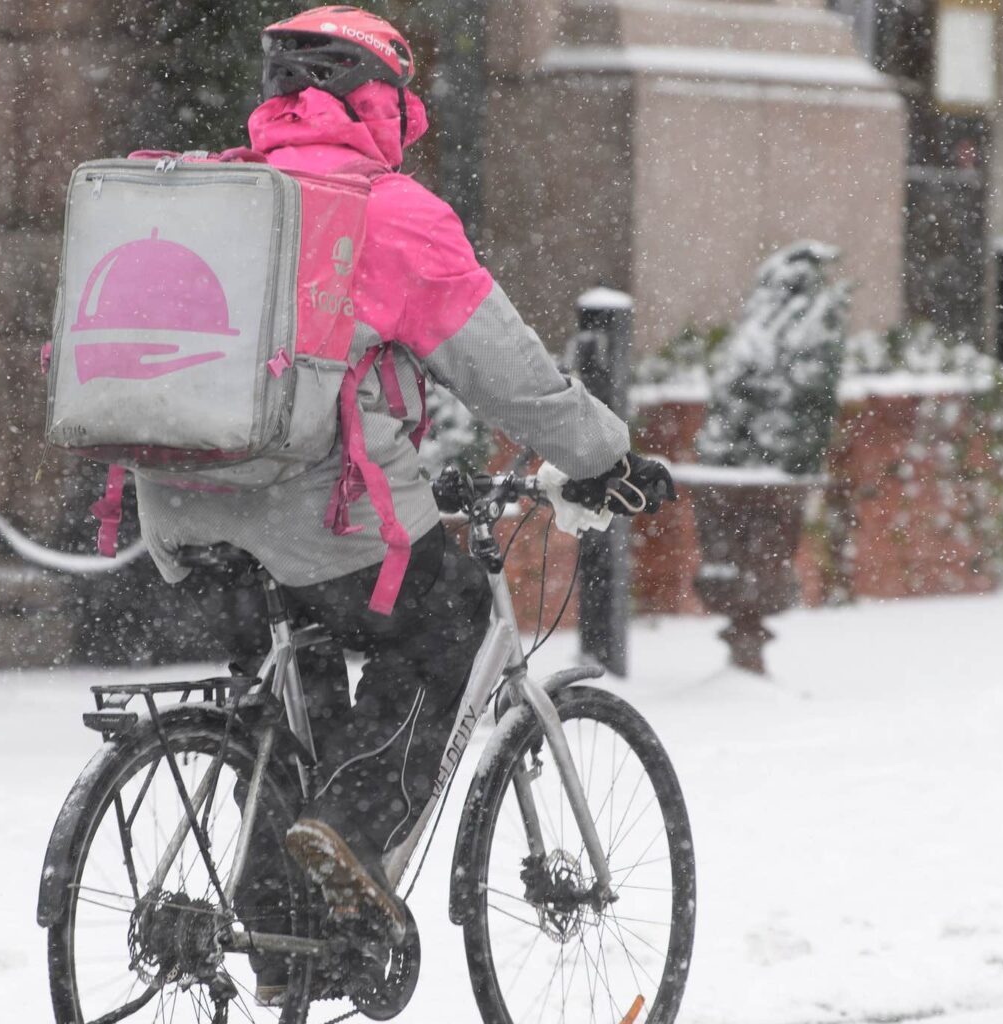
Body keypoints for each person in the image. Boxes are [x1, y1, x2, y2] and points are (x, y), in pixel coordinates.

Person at [133, 4, 675, 960]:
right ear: (377, 100)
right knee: (448, 620)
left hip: (183, 504)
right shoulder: (386, 213)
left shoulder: (227, 192)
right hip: (319, 514)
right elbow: (509, 375)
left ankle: (282, 942)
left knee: (297, 694)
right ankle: (354, 830)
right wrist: (606, 459)